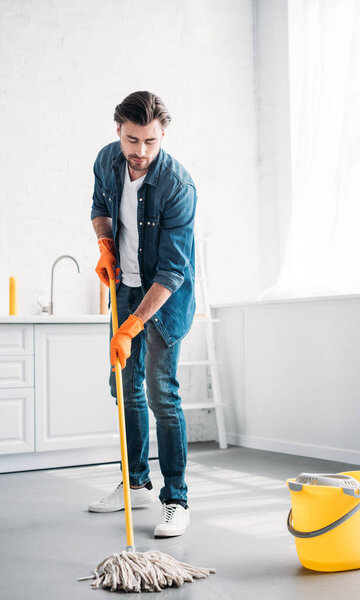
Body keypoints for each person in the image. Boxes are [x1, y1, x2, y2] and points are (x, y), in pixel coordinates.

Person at [88, 91, 197, 538]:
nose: (140, 152)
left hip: (162, 299)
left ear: (162, 135)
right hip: (125, 287)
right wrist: (105, 245)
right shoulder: (107, 161)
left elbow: (172, 271)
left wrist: (132, 326)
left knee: (160, 395)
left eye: (150, 142)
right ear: (118, 131)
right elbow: (99, 206)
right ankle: (135, 484)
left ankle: (176, 499)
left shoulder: (177, 185)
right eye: (132, 140)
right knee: (123, 389)